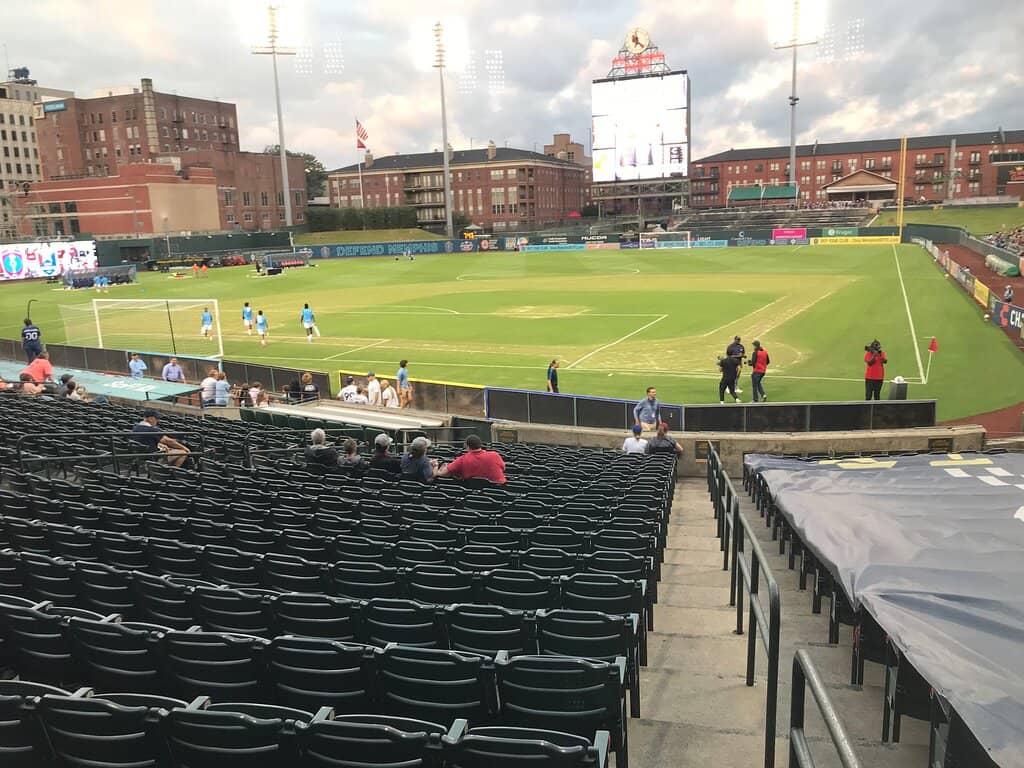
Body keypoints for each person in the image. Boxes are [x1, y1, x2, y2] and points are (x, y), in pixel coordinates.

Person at [436, 434, 507, 483]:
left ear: (467, 446)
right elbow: (503, 468)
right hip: (499, 492)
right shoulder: (495, 455)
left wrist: (436, 467)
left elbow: (442, 474)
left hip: (475, 496)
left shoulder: (462, 460)